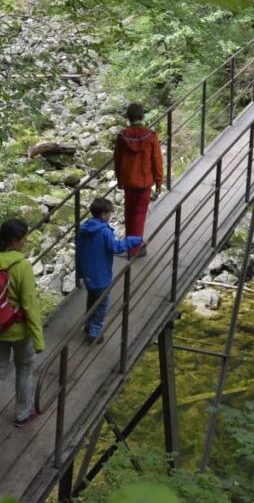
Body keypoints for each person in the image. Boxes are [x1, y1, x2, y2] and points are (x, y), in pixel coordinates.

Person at [0, 218, 44, 448]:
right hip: (17, 330)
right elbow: (30, 303)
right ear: (14, 241)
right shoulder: (21, 266)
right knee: (24, 367)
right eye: (24, 237)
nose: (26, 241)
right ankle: (23, 414)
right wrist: (38, 339)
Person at [75, 198, 144, 344]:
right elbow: (115, 248)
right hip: (101, 274)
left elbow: (79, 251)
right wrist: (135, 240)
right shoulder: (104, 231)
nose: (111, 215)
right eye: (109, 213)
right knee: (101, 303)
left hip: (88, 273)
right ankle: (95, 332)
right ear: (103, 214)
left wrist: (80, 272)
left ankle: (88, 324)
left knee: (92, 299)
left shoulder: (85, 228)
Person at [113, 102, 164, 257]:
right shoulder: (150, 136)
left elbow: (118, 160)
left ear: (128, 118)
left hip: (128, 181)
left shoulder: (122, 136)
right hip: (144, 181)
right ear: (142, 116)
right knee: (140, 213)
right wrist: (158, 181)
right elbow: (156, 160)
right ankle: (135, 248)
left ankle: (131, 245)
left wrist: (119, 179)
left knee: (129, 212)